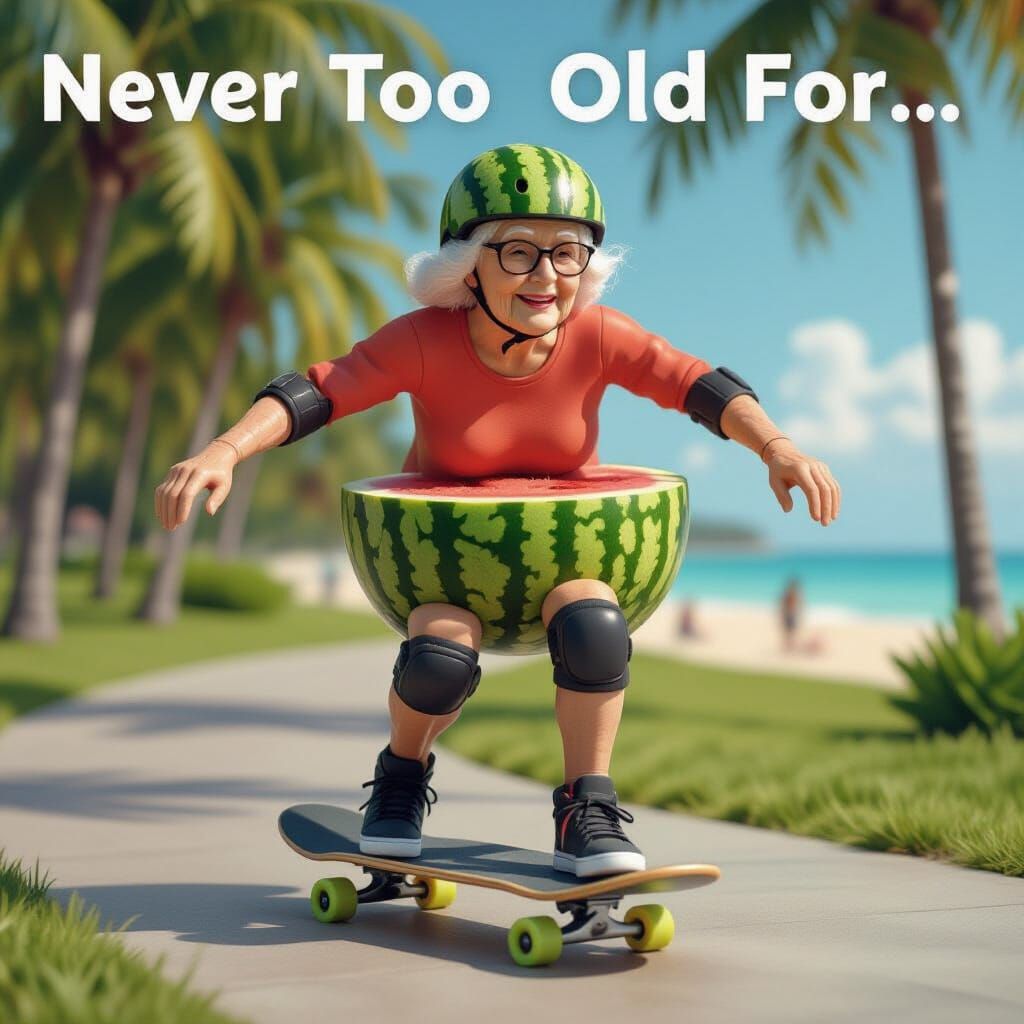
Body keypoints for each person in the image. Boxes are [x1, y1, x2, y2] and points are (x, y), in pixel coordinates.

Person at [154, 145, 841, 878]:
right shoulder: (423, 340)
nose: (546, 275)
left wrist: (776, 446)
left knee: (595, 627)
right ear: (468, 264)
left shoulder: (598, 336)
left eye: (567, 252)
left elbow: (693, 381)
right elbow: (325, 388)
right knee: (440, 657)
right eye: (518, 252)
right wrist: (224, 449)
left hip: (569, 567)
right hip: (443, 572)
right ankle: (400, 779)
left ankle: (588, 807)